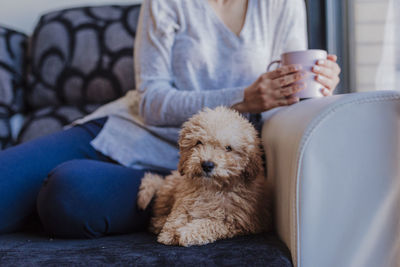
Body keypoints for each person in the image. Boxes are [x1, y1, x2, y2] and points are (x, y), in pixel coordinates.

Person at [0, 0, 341, 238]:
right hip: (124, 131)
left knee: (69, 195)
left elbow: (292, 92)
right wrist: (244, 98)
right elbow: (151, 102)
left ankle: (177, 203)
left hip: (197, 168)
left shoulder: (280, 4)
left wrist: (319, 86)